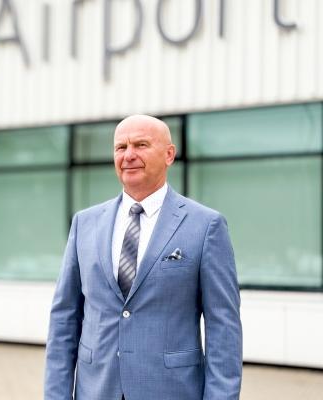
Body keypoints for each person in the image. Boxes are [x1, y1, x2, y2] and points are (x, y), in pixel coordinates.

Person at [44, 115, 242, 400]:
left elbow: (224, 327)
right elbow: (64, 319)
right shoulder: (85, 223)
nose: (129, 155)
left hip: (172, 390)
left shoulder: (206, 226)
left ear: (169, 154)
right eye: (121, 147)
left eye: (141, 144)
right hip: (96, 390)